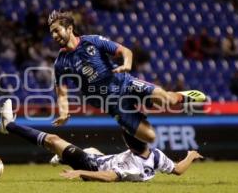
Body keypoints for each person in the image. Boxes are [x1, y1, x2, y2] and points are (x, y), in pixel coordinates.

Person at [48, 10, 206, 144]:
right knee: (150, 138)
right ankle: (136, 119)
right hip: (111, 103)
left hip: (125, 84)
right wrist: (63, 113)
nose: (54, 36)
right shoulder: (60, 63)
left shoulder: (93, 41)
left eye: (57, 30)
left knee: (168, 101)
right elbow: (62, 94)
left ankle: (182, 96)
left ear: (69, 28)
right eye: (52, 33)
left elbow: (125, 51)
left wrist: (127, 64)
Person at [0, 99, 203, 182]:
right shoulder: (156, 155)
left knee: (53, 139)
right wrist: (191, 155)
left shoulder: (132, 165)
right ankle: (61, 158)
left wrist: (80, 172)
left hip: (92, 166)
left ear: (128, 145)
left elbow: (109, 177)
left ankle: (9, 126)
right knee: (93, 148)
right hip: (102, 158)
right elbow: (177, 169)